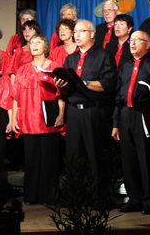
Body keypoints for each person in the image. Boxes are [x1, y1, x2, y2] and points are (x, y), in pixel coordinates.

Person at [55, 20, 117, 192]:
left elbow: (109, 84)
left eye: (81, 31)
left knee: (96, 156)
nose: (77, 35)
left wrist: (83, 83)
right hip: (74, 111)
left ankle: (99, 197)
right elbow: (66, 92)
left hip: (95, 110)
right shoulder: (71, 58)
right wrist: (61, 86)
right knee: (74, 155)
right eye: (75, 32)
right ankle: (77, 198)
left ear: (92, 34)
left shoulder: (103, 55)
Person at [112, 30, 150, 215]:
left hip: (146, 114)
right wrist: (115, 123)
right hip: (126, 114)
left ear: (148, 44)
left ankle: (149, 201)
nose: (133, 43)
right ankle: (134, 199)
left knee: (146, 159)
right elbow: (118, 97)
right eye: (131, 40)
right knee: (128, 160)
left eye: (138, 40)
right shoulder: (125, 66)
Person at [11, 34, 66, 205]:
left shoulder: (55, 67)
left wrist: (61, 114)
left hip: (49, 122)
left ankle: (49, 197)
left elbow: (62, 94)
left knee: (50, 161)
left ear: (46, 47)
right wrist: (13, 119)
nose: (34, 45)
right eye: (32, 42)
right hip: (28, 122)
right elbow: (15, 97)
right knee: (31, 161)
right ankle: (31, 196)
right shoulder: (23, 69)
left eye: (38, 42)